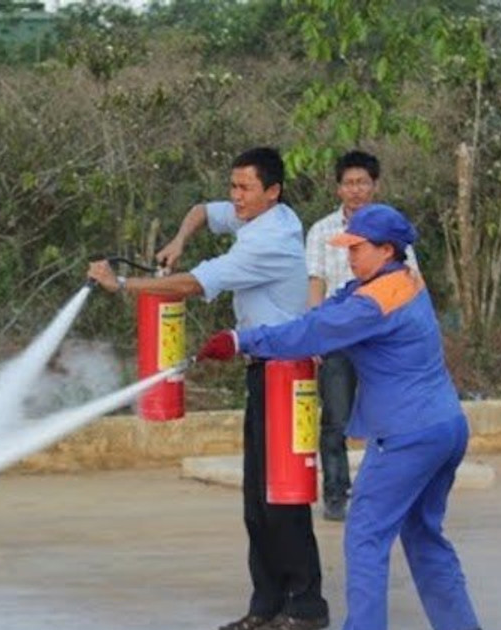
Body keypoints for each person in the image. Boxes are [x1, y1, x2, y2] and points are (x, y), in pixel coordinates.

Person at [197, 204, 481, 630]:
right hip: (446, 426)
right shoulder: (402, 279)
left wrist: (241, 339)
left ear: (386, 249)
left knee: (366, 538)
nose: (349, 256)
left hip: (407, 436)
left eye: (357, 248)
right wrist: (307, 330)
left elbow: (314, 331)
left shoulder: (374, 303)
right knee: (424, 537)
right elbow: (329, 312)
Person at [88, 147, 329, 630]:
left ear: (273, 191)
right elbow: (202, 209)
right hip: (264, 371)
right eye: (233, 186)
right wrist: (179, 239)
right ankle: (265, 607)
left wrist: (121, 285)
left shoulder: (271, 242)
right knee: (257, 500)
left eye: (245, 188)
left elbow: (191, 287)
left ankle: (305, 607)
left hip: (288, 374)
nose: (235, 197)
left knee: (284, 496)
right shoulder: (261, 217)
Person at [305, 150, 419, 522]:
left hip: (383, 339)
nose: (356, 190)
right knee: (335, 417)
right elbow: (316, 284)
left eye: (363, 183)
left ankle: (385, 492)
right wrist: (316, 335)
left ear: (375, 186)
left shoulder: (392, 228)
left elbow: (411, 282)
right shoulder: (322, 231)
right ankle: (336, 494)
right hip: (339, 336)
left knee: (389, 416)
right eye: (349, 183)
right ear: (338, 188)